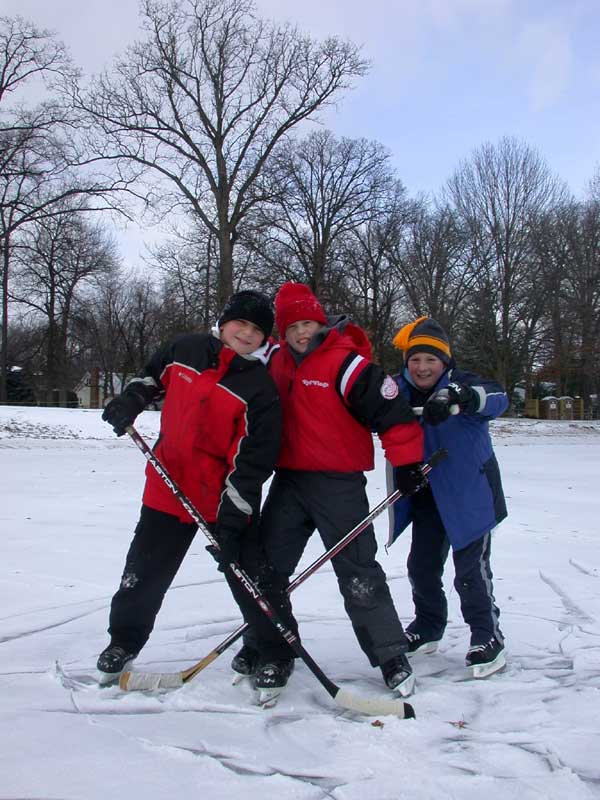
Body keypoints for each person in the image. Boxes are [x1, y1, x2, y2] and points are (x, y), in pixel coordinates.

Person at [232, 282, 426, 700]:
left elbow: (392, 414)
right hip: (289, 481)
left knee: (358, 571)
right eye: (292, 327)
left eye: (308, 323)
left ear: (320, 322)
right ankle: (268, 643)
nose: (302, 332)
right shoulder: (275, 364)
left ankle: (390, 655)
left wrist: (407, 463)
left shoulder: (347, 365)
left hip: (339, 485)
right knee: (267, 566)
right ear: (280, 333)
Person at [96, 290, 296, 683]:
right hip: (167, 489)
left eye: (257, 330)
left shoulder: (260, 388)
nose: (246, 333)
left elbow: (252, 461)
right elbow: (151, 377)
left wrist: (235, 515)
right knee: (142, 575)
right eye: (240, 323)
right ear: (223, 323)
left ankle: (275, 651)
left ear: (265, 339)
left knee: (252, 581)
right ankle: (123, 642)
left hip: (221, 502)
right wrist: (131, 401)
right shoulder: (184, 348)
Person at [388, 316, 508, 678]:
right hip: (426, 494)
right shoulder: (396, 390)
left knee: (470, 572)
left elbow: (496, 398)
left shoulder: (465, 384)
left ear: (445, 362)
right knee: (421, 567)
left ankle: (488, 637)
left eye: (431, 360)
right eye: (415, 359)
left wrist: (461, 397)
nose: (422, 367)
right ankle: (428, 625)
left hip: (469, 494)